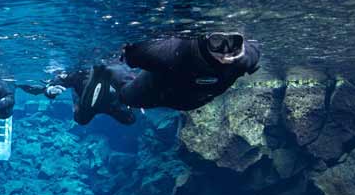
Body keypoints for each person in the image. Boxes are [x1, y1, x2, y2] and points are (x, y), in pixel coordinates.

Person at [78, 32, 261, 122]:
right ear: (204, 38)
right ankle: (104, 71)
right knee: (126, 96)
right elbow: (132, 53)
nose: (225, 51)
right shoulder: (174, 51)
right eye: (216, 41)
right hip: (152, 92)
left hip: (192, 101)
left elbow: (253, 49)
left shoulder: (245, 58)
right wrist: (123, 55)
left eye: (233, 43)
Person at [20, 67, 137, 126]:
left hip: (102, 98)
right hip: (108, 100)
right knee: (82, 118)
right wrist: (50, 90)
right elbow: (59, 81)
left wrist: (50, 90)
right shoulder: (77, 75)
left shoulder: (77, 76)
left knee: (82, 118)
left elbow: (59, 81)